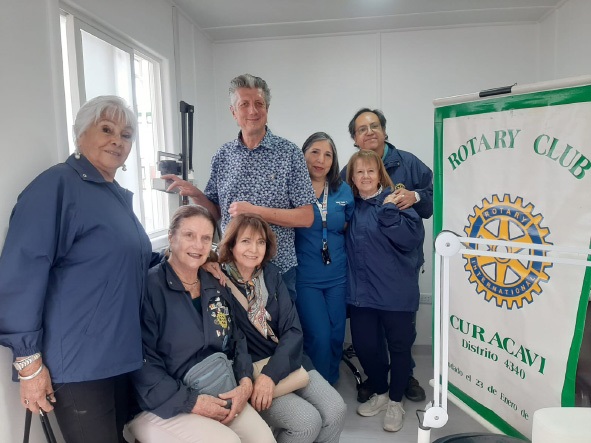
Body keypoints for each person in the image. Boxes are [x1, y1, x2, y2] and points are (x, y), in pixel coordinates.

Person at [0, 96, 159, 442]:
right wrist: (28, 364)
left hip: (121, 353)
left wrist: (192, 260)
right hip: (78, 362)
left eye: (126, 135)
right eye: (107, 129)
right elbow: (21, 272)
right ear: (81, 132)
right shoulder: (58, 185)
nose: (117, 141)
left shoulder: (112, 194)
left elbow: (130, 262)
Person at [162, 73, 316, 301]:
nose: (252, 111)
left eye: (259, 104)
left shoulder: (289, 153)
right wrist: (196, 194)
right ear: (233, 112)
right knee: (231, 325)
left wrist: (255, 212)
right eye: (244, 104)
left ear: (267, 109)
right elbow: (216, 213)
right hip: (230, 270)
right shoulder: (223, 156)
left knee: (281, 325)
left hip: (278, 269)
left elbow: (306, 217)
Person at [128, 205, 275, 443]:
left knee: (264, 439)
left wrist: (245, 382)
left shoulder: (214, 282)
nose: (198, 245)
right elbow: (143, 364)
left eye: (206, 238)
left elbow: (237, 338)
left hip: (219, 387)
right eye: (189, 235)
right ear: (171, 237)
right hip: (163, 402)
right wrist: (192, 402)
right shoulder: (150, 288)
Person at [218, 214, 346, 443]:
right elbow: (236, 344)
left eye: (260, 242)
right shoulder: (218, 281)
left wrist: (271, 374)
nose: (254, 249)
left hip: (287, 358)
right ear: (232, 244)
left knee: (336, 410)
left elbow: (293, 329)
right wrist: (258, 379)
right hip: (251, 371)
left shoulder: (271, 274)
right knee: (307, 423)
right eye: (246, 241)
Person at [342, 108, 433, 403]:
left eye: (374, 126)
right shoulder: (348, 173)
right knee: (369, 334)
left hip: (401, 266)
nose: (369, 132)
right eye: (362, 129)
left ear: (384, 130)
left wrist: (416, 196)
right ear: (355, 138)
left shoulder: (408, 163)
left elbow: (437, 194)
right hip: (364, 271)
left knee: (399, 334)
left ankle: (404, 377)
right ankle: (378, 378)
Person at [345, 149, 424, 433]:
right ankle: (380, 391)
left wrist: (389, 211)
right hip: (362, 295)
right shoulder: (350, 206)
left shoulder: (398, 201)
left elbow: (410, 240)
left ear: (380, 174)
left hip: (396, 294)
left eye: (371, 170)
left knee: (399, 348)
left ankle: (395, 401)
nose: (365, 176)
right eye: (359, 171)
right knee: (365, 347)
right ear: (352, 178)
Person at [294, 132, 354, 384]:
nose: (321, 160)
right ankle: (319, 387)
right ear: (303, 155)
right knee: (318, 334)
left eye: (328, 155)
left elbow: (349, 226)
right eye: (315, 152)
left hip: (337, 275)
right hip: (306, 276)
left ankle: (331, 379)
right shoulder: (295, 188)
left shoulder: (343, 190)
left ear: (334, 160)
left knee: (336, 333)